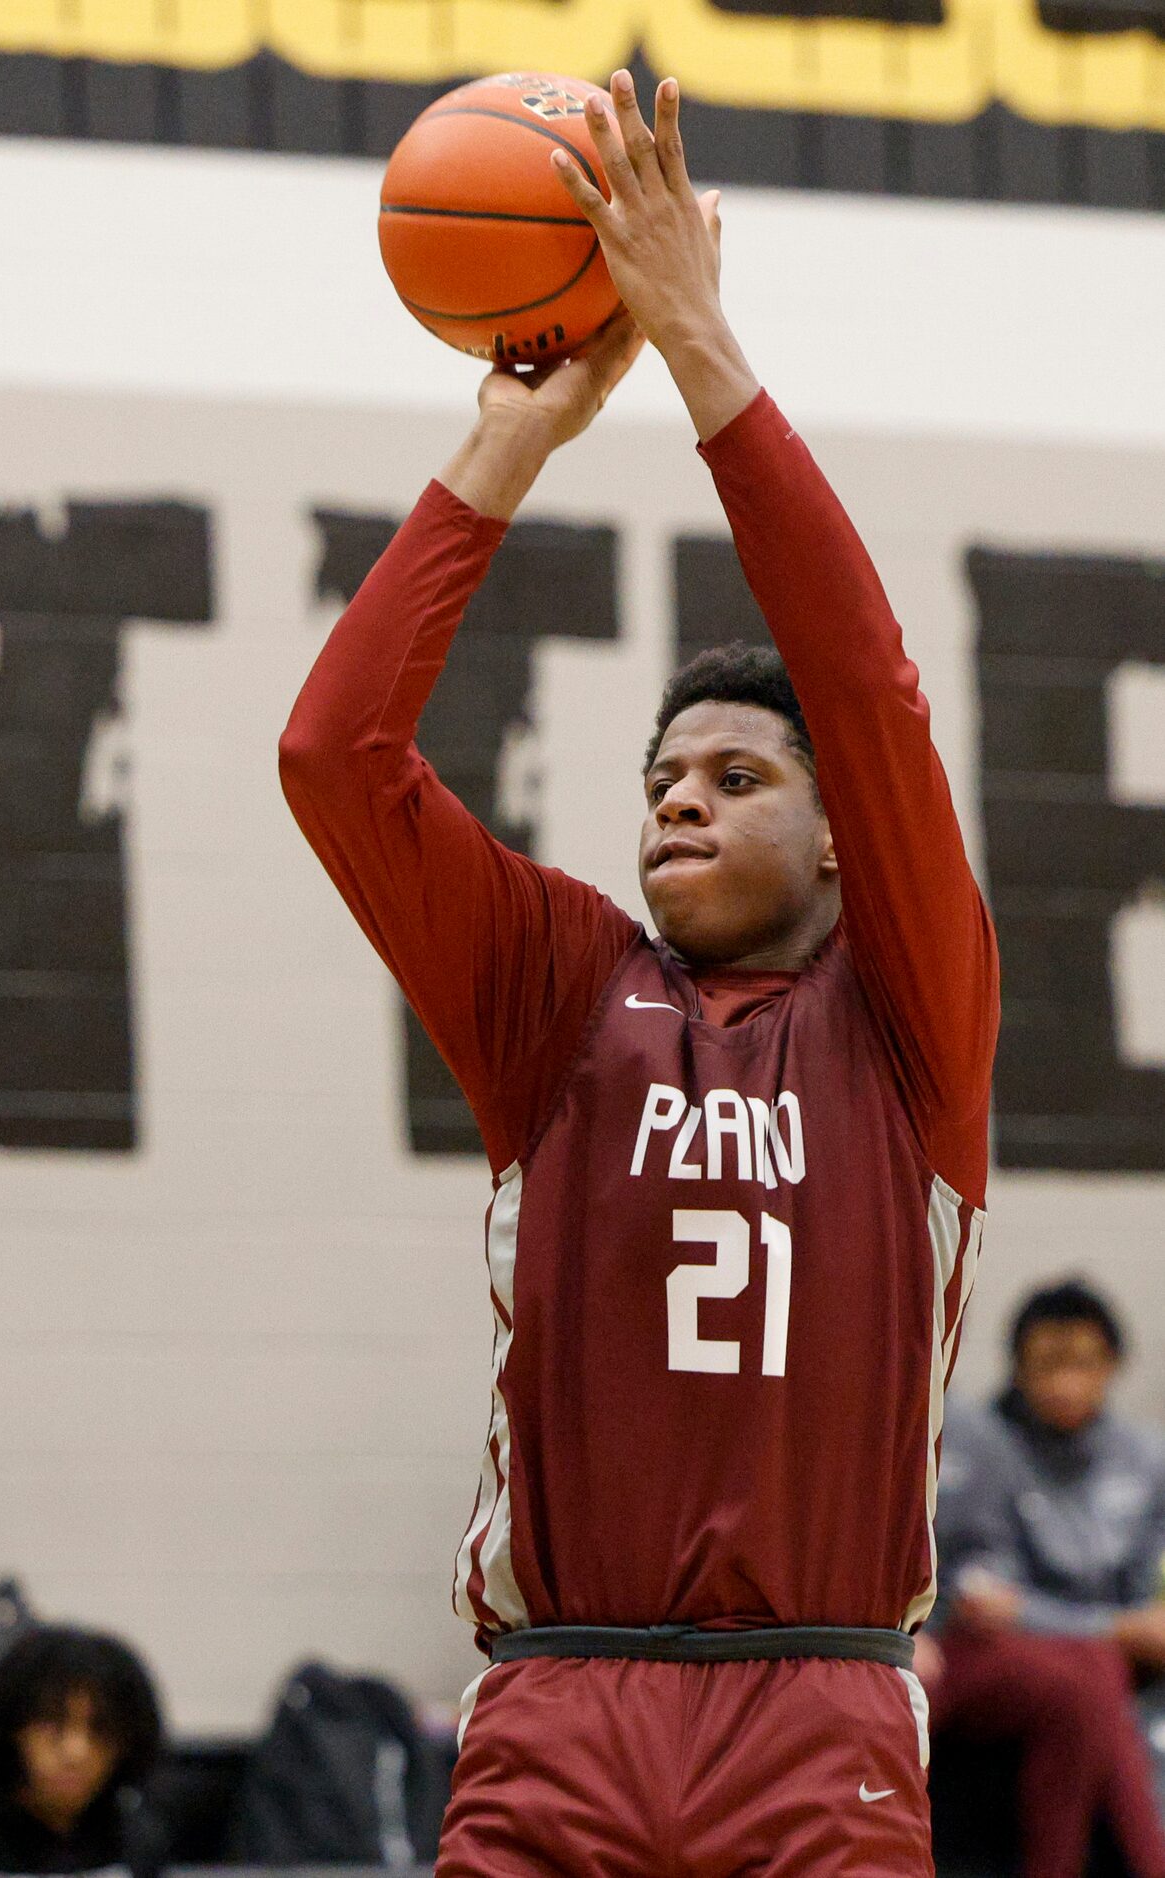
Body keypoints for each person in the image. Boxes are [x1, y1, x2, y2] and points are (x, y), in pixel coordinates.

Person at [279, 71, 997, 1875]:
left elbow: (868, 687)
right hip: (556, 1704)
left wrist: (693, 345)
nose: (677, 799)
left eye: (734, 777)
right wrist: (504, 448)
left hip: (816, 1706)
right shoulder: (556, 993)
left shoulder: (906, 1022)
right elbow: (330, 756)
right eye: (658, 781)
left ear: (838, 835)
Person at [924, 1279, 1165, 1878]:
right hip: (1026, 1646)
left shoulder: (1147, 1457)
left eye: (1084, 1363)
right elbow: (990, 1599)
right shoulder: (992, 1444)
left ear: (1113, 1366)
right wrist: (1113, 1628)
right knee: (1095, 1676)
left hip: (1125, 1651)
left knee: (1101, 1679)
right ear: (1019, 1368)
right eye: (1050, 1364)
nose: (1067, 1382)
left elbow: (1154, 1587)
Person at [0, 1627, 166, 1878]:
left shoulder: (137, 1838)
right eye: (52, 1724)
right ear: (13, 1729)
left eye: (100, 1728)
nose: (76, 1751)